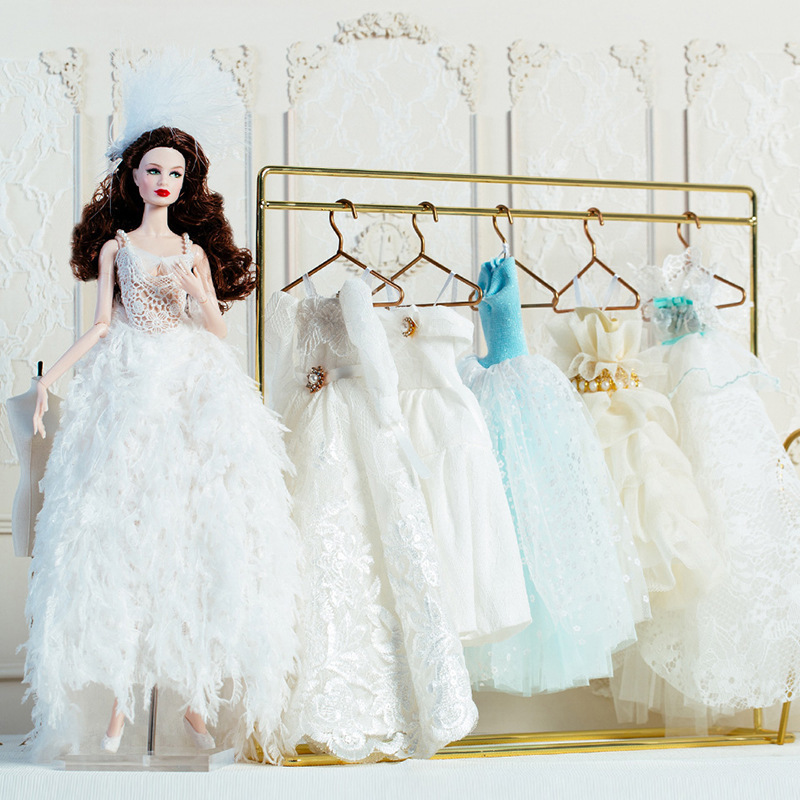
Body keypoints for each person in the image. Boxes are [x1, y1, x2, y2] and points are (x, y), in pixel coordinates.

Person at [24, 115, 301, 760]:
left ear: (186, 182)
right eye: (153, 170)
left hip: (189, 388)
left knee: (191, 532)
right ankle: (121, 706)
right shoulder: (116, 249)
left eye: (175, 173)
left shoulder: (192, 252)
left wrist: (195, 287)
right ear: (133, 176)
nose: (164, 181)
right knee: (128, 534)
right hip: (129, 387)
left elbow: (217, 328)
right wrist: (46, 383)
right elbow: (101, 325)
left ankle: (193, 700)